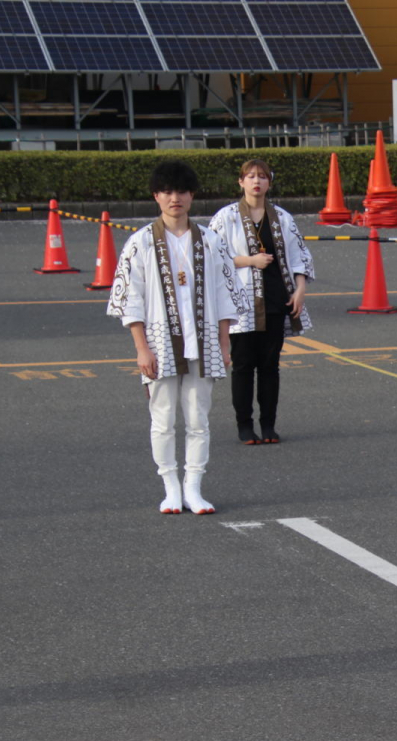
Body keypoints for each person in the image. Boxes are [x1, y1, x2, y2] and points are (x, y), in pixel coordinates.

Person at [108, 160, 242, 514]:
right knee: (163, 419)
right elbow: (130, 298)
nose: (174, 198)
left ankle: (194, 487)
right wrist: (141, 348)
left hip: (204, 341)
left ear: (191, 195)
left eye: (181, 191)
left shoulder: (211, 241)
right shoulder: (140, 243)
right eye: (167, 191)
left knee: (198, 419)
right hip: (160, 343)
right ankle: (170, 487)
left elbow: (225, 292)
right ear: (156, 196)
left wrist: (224, 343)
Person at [207, 159, 314, 445]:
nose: (257, 181)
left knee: (270, 366)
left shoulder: (282, 217)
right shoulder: (225, 217)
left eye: (263, 177)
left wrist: (300, 289)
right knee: (243, 365)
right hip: (240, 303)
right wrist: (249, 260)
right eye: (251, 176)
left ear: (269, 182)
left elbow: (299, 255)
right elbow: (211, 256)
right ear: (240, 182)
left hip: (276, 299)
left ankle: (268, 424)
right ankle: (244, 425)